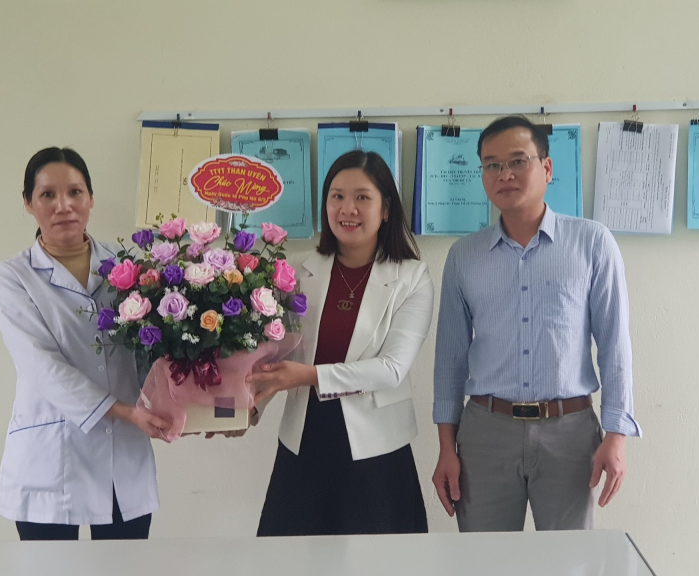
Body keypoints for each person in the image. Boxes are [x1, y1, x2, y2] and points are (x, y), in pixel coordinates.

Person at [431, 116, 642, 532]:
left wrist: (616, 436)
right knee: (485, 561)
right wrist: (445, 447)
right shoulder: (463, 256)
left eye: (517, 161)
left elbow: (615, 345)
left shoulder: (592, 243)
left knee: (567, 560)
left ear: (546, 168)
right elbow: (450, 359)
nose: (504, 174)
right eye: (492, 165)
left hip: (570, 432)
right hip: (486, 434)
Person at [0, 147, 170, 540]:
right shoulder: (11, 277)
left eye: (75, 192)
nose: (63, 206)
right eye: (47, 195)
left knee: (126, 566)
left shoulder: (131, 267)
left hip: (124, 456)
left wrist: (194, 400)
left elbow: (153, 354)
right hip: (50, 458)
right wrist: (122, 411)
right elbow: (41, 365)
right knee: (50, 565)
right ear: (28, 203)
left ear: (90, 198)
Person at [249, 150, 434, 536]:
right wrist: (245, 409)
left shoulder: (412, 277)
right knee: (288, 559)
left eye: (362, 197)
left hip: (376, 452)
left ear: (386, 209)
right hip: (304, 443)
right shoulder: (297, 270)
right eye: (337, 196)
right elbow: (275, 352)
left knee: (376, 561)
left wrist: (309, 376)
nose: (348, 209)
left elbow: (392, 369)